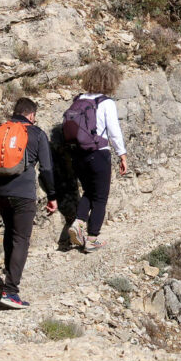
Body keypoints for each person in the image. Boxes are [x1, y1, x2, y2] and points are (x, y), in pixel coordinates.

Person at [0, 98, 56, 309]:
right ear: (31, 115)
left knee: (11, 234)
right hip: (23, 195)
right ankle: (10, 292)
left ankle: (8, 280)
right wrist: (52, 196)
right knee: (21, 239)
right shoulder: (37, 133)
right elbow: (46, 169)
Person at [66, 62, 127, 254]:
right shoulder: (105, 103)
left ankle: (78, 222)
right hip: (99, 153)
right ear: (110, 82)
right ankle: (92, 238)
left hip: (78, 154)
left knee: (89, 191)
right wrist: (122, 154)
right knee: (100, 197)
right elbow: (114, 131)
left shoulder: (78, 100)